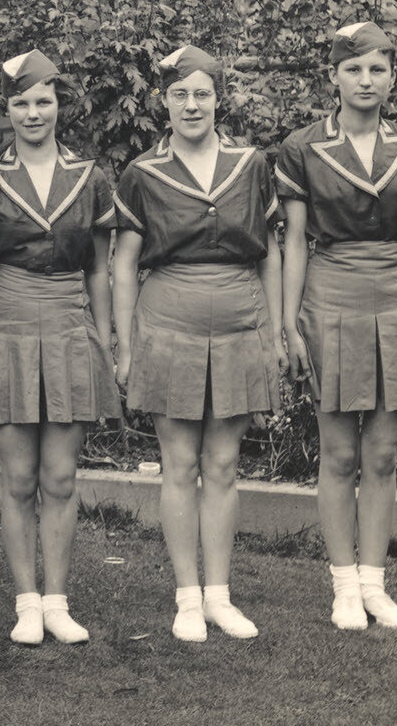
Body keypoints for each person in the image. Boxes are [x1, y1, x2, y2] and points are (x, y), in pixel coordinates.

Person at [111, 44, 285, 643]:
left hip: (239, 319)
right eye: (180, 94)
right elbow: (124, 262)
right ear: (165, 101)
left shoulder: (252, 164)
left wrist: (275, 331)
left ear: (219, 98)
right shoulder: (143, 173)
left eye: (202, 94)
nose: (192, 105)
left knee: (224, 462)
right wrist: (128, 344)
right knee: (179, 463)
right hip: (169, 321)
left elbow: (270, 255)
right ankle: (187, 598)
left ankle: (220, 595)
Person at [277, 21, 397, 631]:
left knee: (383, 453)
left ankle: (375, 585)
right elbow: (294, 241)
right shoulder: (302, 147)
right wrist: (290, 323)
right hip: (334, 296)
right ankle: (343, 587)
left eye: (377, 69)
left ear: (392, 76)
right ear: (335, 78)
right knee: (340, 451)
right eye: (353, 70)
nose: (365, 80)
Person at [0, 49, 118, 647]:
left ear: (59, 106)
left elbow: (99, 270)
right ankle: (26, 602)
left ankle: (57, 600)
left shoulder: (90, 176)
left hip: (68, 321)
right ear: (7, 111)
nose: (33, 113)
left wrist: (102, 338)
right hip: (8, 324)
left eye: (43, 102)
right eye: (22, 103)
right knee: (18, 478)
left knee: (60, 477)